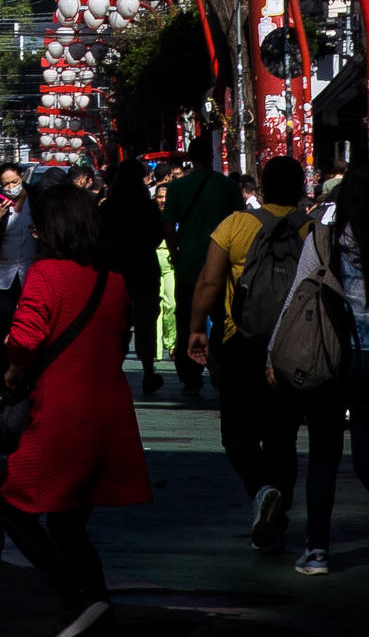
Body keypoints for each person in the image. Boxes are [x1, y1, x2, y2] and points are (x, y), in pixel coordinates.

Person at [0, 180, 151, 637]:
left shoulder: (46, 275)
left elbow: (24, 339)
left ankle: (78, 595)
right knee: (69, 518)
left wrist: (12, 367)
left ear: (52, 228)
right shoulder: (113, 279)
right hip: (108, 410)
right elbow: (118, 339)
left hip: (61, 412)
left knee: (14, 505)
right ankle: (96, 602)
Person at [276, 160, 369, 578]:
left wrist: (274, 354)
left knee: (323, 456)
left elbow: (297, 299)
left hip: (335, 357)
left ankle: (317, 551)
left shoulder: (324, 241)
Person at [186, 155, 311, 554]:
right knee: (282, 434)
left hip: (239, 341)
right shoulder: (312, 230)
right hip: (293, 344)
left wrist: (195, 329)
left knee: (236, 433)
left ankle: (262, 491)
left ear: (262, 186)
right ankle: (278, 508)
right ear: (301, 186)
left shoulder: (235, 225)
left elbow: (209, 281)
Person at [161, 140, 232, 398]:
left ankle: (190, 378)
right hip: (222, 265)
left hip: (188, 266)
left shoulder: (178, 187)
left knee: (188, 323)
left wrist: (175, 252)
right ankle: (220, 368)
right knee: (223, 321)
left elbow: (168, 228)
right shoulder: (228, 186)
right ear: (212, 154)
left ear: (190, 158)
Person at [98, 159, 166, 395]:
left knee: (115, 323)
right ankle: (148, 371)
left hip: (115, 270)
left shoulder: (107, 207)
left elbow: (99, 239)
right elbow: (157, 236)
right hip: (144, 269)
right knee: (146, 323)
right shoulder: (147, 207)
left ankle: (111, 370)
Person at [0, 163, 36, 374]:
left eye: (14, 182)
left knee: (32, 322)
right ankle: (3, 372)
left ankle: (30, 370)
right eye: (6, 184)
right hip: (4, 272)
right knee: (5, 323)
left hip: (32, 271)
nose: (11, 187)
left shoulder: (36, 200)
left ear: (22, 178)